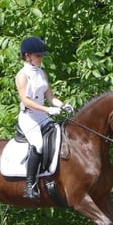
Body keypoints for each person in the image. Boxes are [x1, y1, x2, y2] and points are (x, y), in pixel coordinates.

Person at [16, 36, 73, 199]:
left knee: (59, 138)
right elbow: (26, 101)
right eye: (38, 56)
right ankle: (30, 185)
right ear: (27, 56)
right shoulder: (22, 75)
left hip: (42, 116)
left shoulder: (41, 73)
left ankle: (49, 177)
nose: (41, 58)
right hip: (29, 118)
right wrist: (48, 109)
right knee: (39, 144)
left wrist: (62, 105)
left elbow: (50, 96)